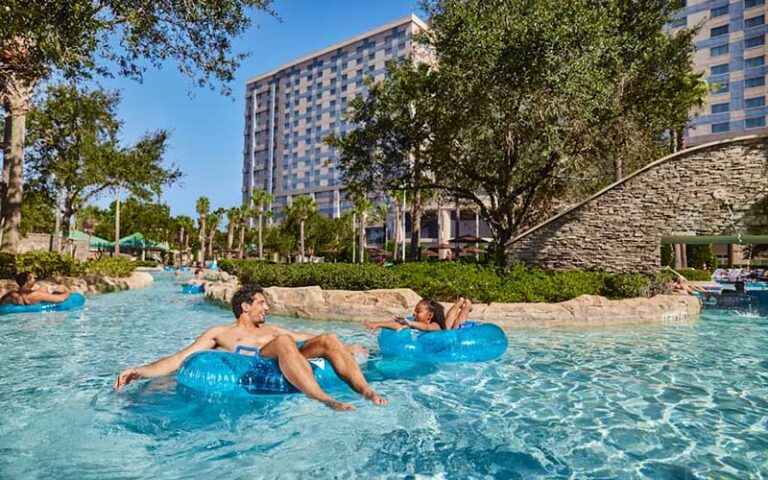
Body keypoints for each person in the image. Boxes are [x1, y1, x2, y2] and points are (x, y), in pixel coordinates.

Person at [114, 284, 387, 411]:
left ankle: (367, 392)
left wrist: (346, 345)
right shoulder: (221, 333)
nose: (266, 308)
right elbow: (180, 358)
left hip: (289, 356)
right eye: (261, 303)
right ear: (245, 306)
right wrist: (140, 371)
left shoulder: (273, 329)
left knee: (326, 337)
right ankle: (326, 399)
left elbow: (305, 335)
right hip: (258, 363)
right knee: (283, 341)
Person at [363, 297, 473, 332]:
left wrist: (410, 323)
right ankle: (459, 303)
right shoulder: (415, 324)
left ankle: (467, 306)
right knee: (448, 319)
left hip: (449, 336)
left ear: (429, 316)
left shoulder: (435, 326)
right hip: (445, 330)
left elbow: (426, 327)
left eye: (418, 311)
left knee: (457, 323)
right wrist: (377, 324)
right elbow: (397, 325)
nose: (414, 313)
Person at [0, 271, 72, 305]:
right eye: (32, 278)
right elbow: (61, 299)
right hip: (35, 320)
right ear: (27, 282)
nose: (34, 280)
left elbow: (1, 302)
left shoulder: (12, 295)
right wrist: (67, 292)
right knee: (61, 288)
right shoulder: (36, 294)